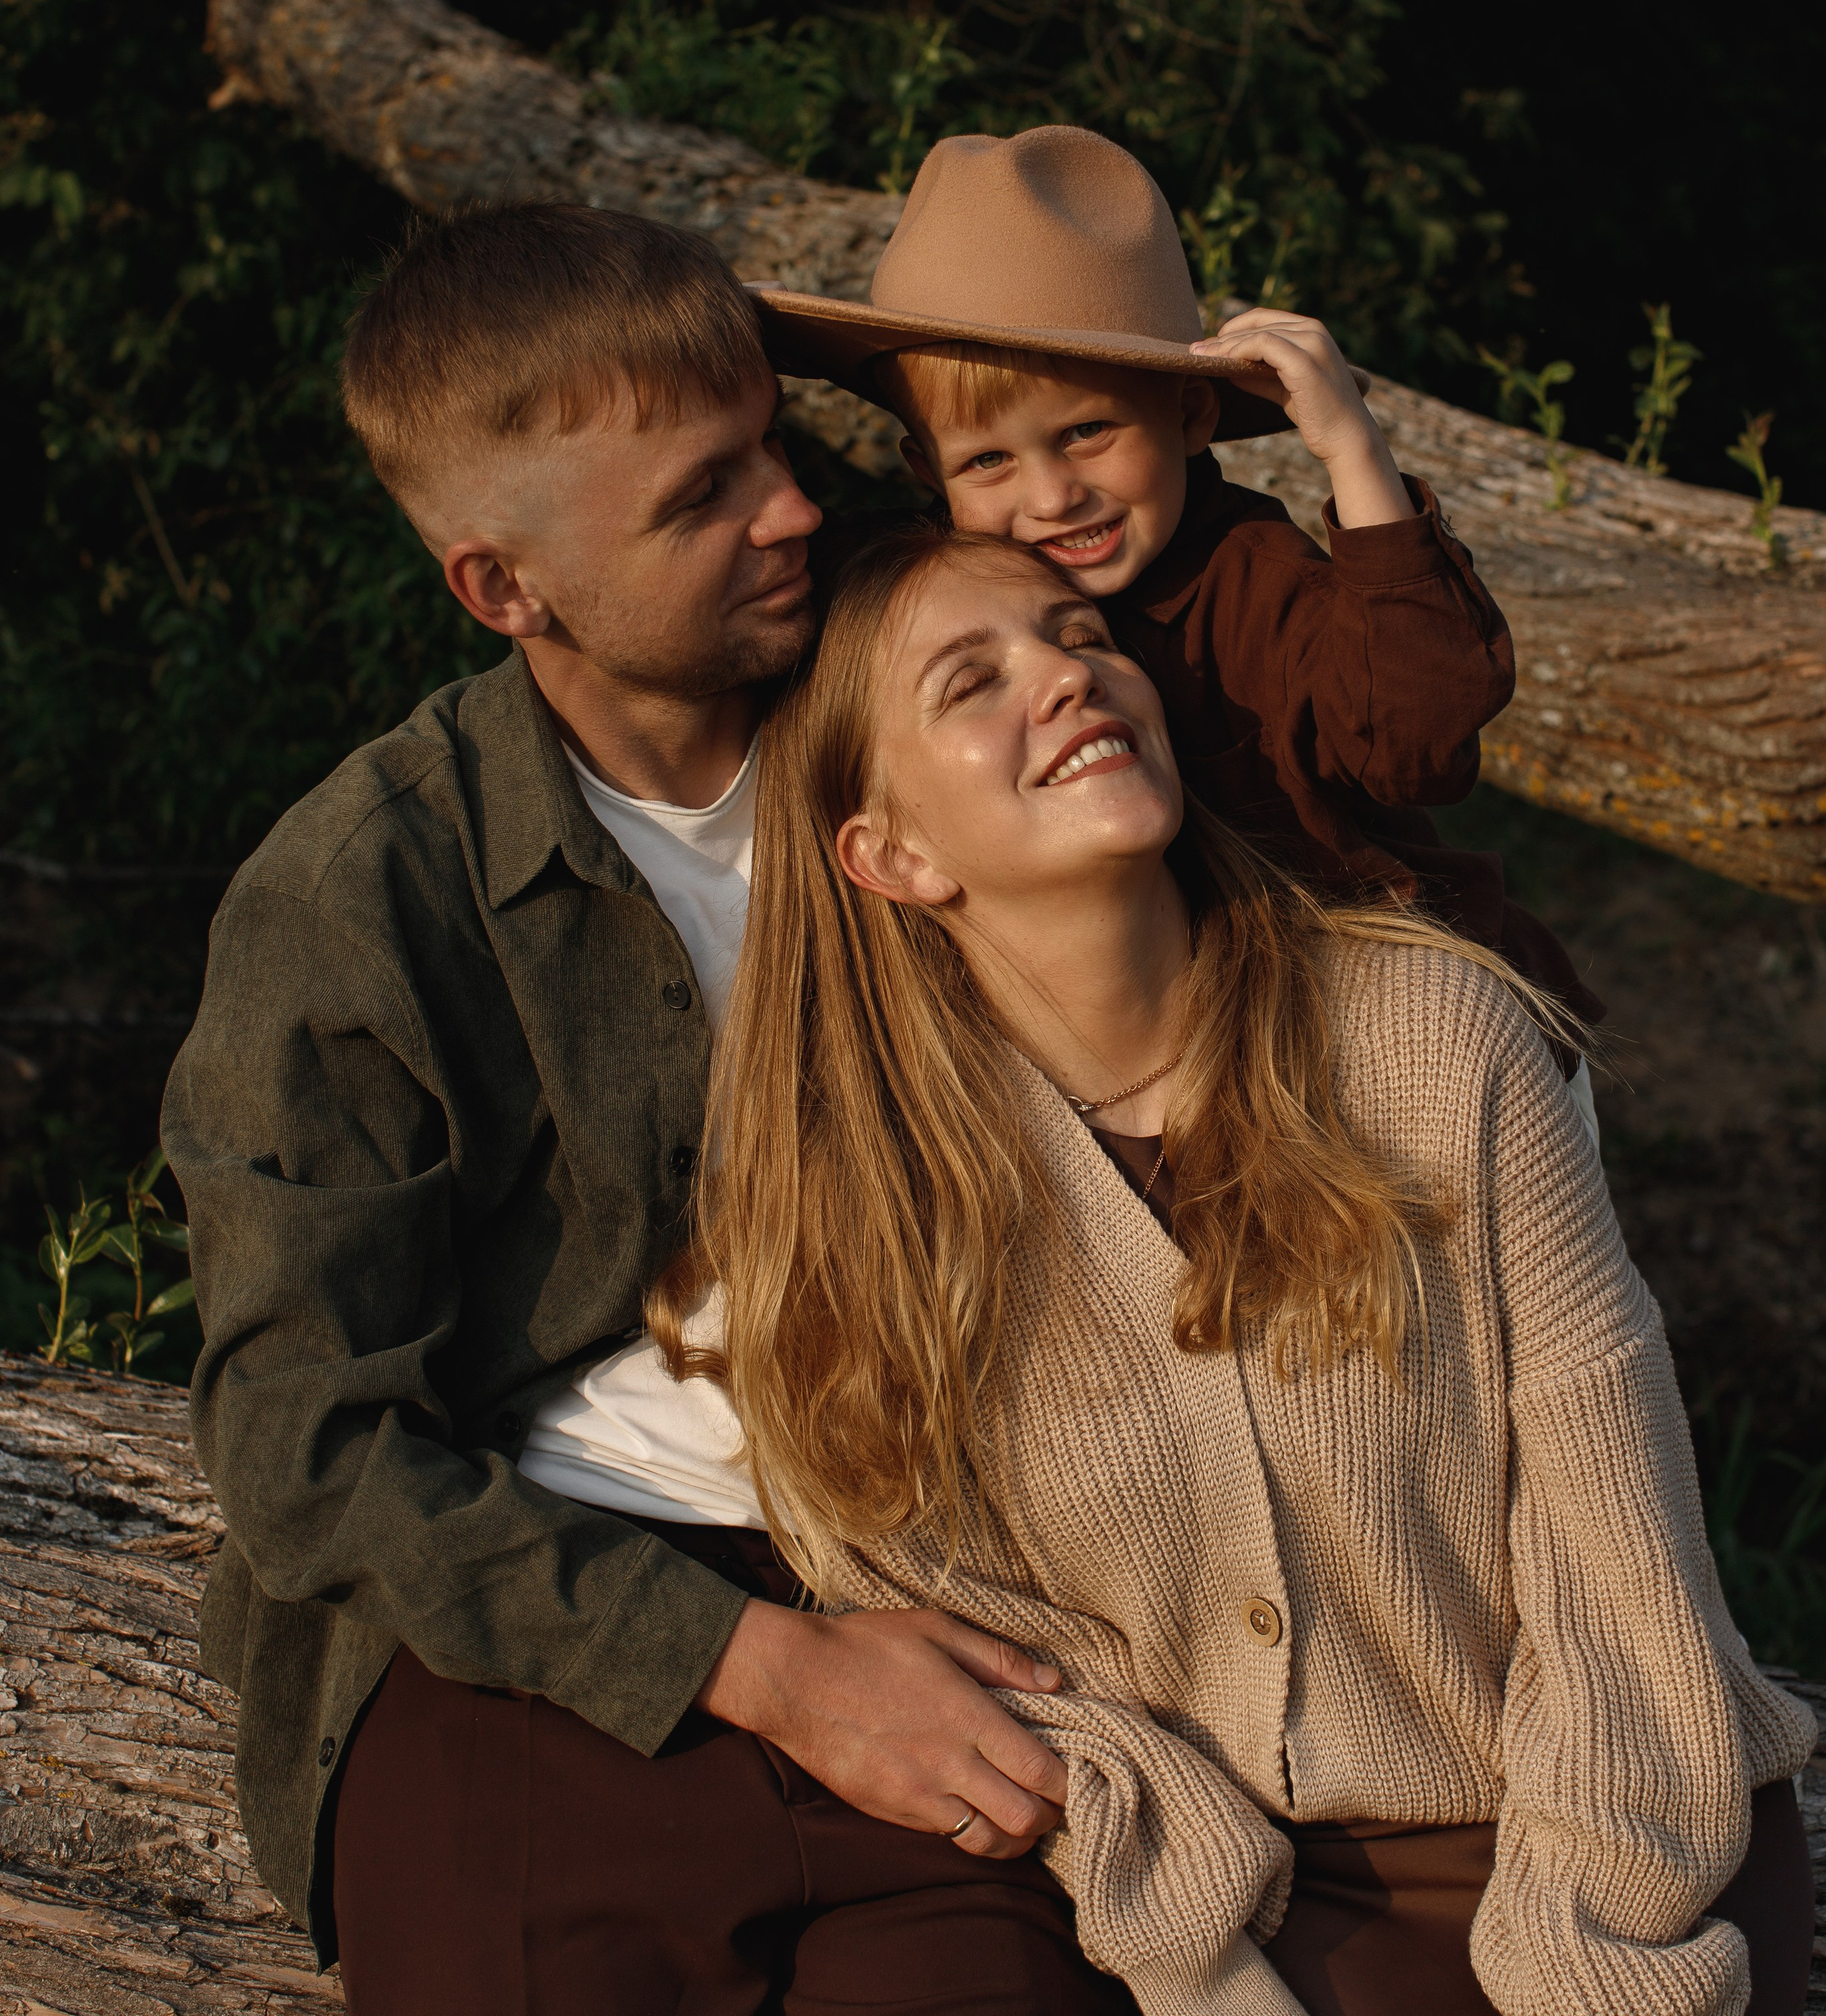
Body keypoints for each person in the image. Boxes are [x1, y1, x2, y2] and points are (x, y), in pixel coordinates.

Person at [161, 204, 1129, 2015]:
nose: (787, 510)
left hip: (928, 1588)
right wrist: (765, 1670)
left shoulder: (925, 714)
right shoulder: (360, 900)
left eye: (771, 445)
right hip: (525, 1639)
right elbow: (303, 1451)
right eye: (700, 500)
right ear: (503, 589)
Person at [653, 519, 1817, 2016]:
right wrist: (1194, 1947)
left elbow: (1619, 1565)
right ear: (889, 854)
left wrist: (1586, 1950)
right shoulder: (870, 1216)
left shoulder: (1432, 1040)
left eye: (1079, 636)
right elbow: (964, 1642)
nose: (1066, 679)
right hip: (1248, 1906)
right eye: (973, 680)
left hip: (1614, 1839)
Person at [753, 124, 1602, 1082]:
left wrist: (1356, 459)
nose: (1050, 498)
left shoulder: (1252, 575)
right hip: (1203, 1053)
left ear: (1193, 415)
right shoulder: (948, 597)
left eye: (1086, 433)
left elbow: (1417, 732)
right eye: (987, 460)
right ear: (928, 472)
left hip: (1416, 1042)